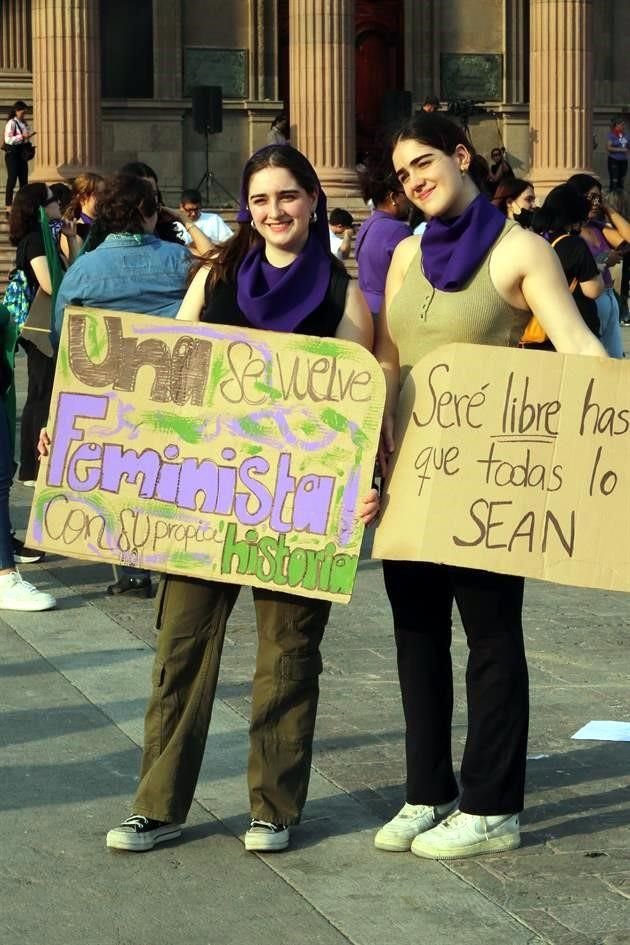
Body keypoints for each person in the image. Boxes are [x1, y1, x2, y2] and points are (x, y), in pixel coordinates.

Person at [103, 144, 377, 855]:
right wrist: (87, 434)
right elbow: (164, 373)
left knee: (287, 655)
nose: (274, 211)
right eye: (260, 200)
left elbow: (356, 413)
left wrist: (364, 484)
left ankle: (274, 807)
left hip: (296, 507)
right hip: (204, 495)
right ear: (245, 210)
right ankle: (157, 804)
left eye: (287, 196)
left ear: (313, 200)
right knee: (180, 648)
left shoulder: (343, 297)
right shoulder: (216, 274)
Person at [373, 112, 606, 861]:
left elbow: (575, 344)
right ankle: (427, 789)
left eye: (425, 162)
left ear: (462, 156)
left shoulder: (520, 248)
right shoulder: (405, 254)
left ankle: (492, 804)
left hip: (486, 482)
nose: (415, 180)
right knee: (416, 636)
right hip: (411, 471)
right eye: (404, 172)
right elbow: (385, 354)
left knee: (491, 636)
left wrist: (616, 417)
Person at [53, 173, 192, 596]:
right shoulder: (180, 260)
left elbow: (63, 335)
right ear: (151, 212)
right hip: (172, 386)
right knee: (171, 470)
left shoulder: (84, 270)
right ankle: (174, 553)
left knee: (120, 477)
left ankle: (132, 568)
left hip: (108, 392)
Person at [9, 183, 77, 485]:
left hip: (51, 323)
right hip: (40, 327)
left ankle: (39, 462)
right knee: (38, 393)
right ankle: (30, 468)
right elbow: (51, 285)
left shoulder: (48, 237)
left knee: (47, 390)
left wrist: (72, 239)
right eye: (52, 201)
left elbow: (74, 270)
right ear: (39, 208)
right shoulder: (35, 240)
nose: (57, 205)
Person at [532, 184, 604, 341]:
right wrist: (599, 268)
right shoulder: (574, 245)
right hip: (576, 331)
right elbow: (593, 290)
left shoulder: (535, 240)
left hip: (544, 329)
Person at [567, 174, 624, 358]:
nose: (596, 203)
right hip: (590, 300)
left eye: (599, 198)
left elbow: (627, 239)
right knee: (595, 360)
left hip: (609, 297)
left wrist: (607, 207)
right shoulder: (569, 230)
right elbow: (573, 266)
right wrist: (604, 260)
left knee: (616, 361)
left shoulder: (597, 227)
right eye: (592, 197)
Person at [355, 157, 411, 316]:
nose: (409, 199)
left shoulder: (368, 224)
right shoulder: (398, 230)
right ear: (393, 197)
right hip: (388, 310)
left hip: (364, 307)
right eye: (404, 193)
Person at [4, 101, 35, 210]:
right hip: (12, 154)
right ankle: (8, 205)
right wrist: (22, 136)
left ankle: (23, 204)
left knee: (24, 181)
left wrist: (28, 137)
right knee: (12, 179)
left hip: (22, 155)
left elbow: (24, 138)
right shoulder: (11, 123)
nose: (24, 115)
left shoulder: (23, 123)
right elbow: (8, 140)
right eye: (22, 112)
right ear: (16, 111)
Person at [63, 171, 104, 243]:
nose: (104, 198)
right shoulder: (72, 230)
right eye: (99, 194)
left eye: (106, 193)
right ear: (82, 197)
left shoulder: (104, 224)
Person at [606, 118, 628, 193]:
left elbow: (627, 146)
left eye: (623, 125)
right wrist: (621, 150)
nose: (623, 126)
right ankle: (612, 200)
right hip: (614, 160)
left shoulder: (625, 135)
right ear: (616, 125)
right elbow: (609, 148)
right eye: (622, 125)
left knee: (621, 181)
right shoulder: (611, 134)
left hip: (623, 160)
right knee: (614, 181)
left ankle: (620, 201)